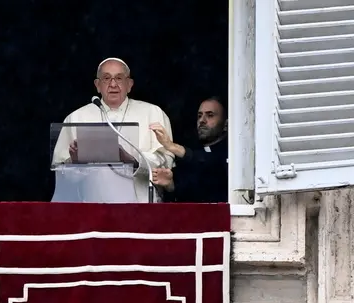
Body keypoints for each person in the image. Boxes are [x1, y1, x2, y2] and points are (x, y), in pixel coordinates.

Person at [51, 57, 175, 203]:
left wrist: (132, 160)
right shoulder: (76, 118)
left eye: (119, 78)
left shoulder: (153, 113)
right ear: (97, 85)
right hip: (92, 208)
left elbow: (165, 162)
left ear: (129, 84)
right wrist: (75, 162)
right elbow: (61, 175)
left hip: (140, 208)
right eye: (106, 78)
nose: (113, 84)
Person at [149, 96, 228, 203]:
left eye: (210, 115)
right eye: (199, 116)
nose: (202, 120)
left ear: (226, 124)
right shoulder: (192, 148)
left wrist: (171, 146)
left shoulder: (233, 151)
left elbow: (211, 163)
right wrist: (171, 183)